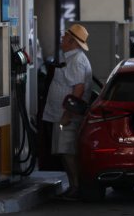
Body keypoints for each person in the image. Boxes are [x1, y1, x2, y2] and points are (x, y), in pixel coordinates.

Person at [41, 24, 93, 200]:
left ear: (72, 41)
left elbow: (78, 89)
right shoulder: (71, 58)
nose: (61, 39)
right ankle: (73, 186)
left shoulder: (77, 60)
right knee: (64, 151)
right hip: (62, 115)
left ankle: (76, 187)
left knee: (68, 151)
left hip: (67, 117)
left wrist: (67, 115)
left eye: (64, 37)